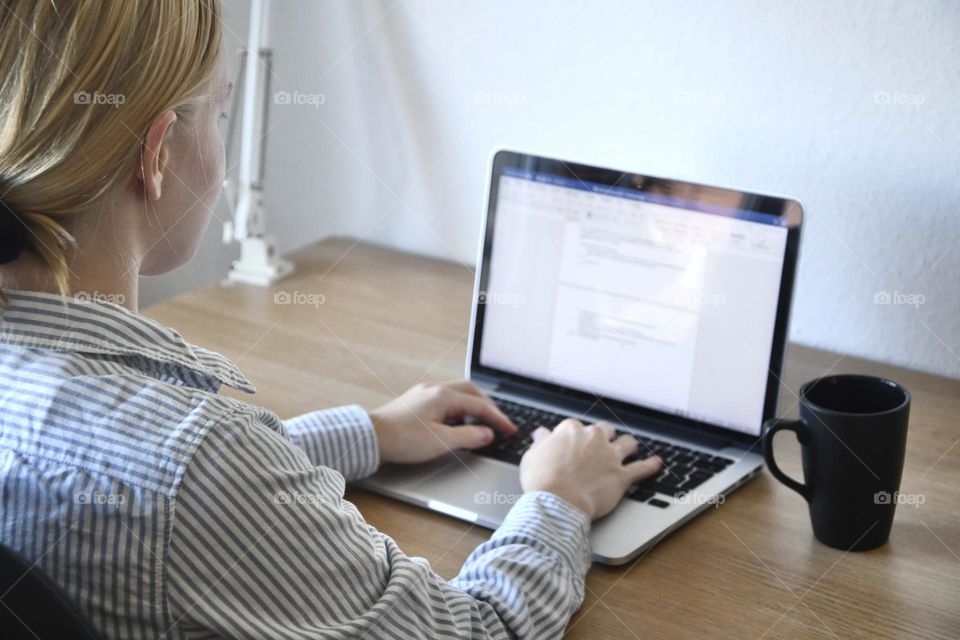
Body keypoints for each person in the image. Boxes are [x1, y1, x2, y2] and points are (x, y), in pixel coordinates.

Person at [0, 1, 661, 638]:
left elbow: (145, 482)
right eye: (222, 112)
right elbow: (478, 630)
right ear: (159, 154)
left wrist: (366, 432)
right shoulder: (204, 460)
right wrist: (560, 499)